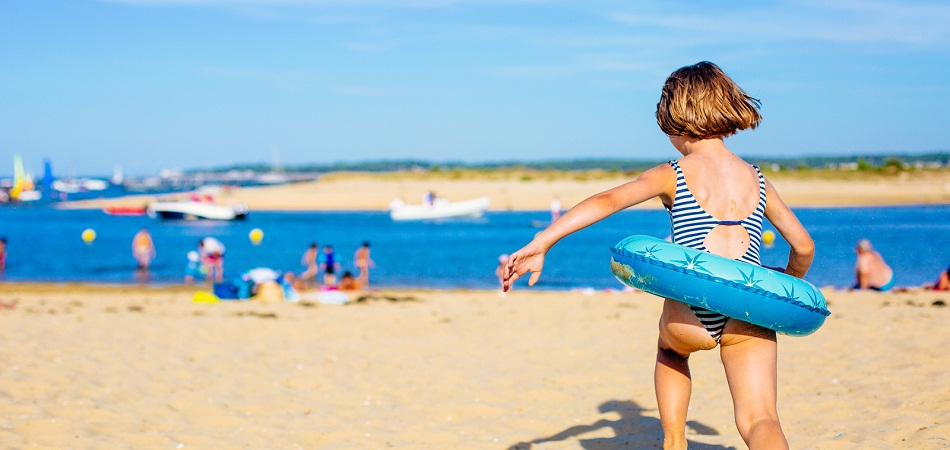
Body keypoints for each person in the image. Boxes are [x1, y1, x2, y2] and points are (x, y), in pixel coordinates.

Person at [503, 61, 814, 450]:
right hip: (748, 308)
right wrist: (784, 287)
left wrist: (542, 242)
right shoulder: (757, 178)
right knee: (760, 418)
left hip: (691, 312)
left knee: (670, 351)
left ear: (674, 118)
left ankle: (674, 440)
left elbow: (608, 200)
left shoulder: (674, 173)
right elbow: (804, 247)